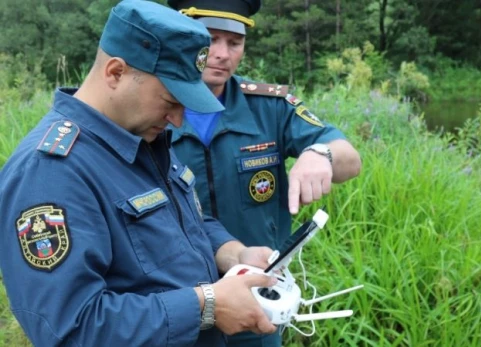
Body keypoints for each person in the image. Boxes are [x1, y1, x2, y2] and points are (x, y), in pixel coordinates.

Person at [0, 1, 279, 346]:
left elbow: (184, 224)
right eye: (170, 101)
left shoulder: (141, 135)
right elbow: (72, 328)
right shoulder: (51, 171)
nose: (178, 120)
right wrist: (206, 305)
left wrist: (234, 254)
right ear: (115, 72)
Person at [166, 1, 362, 345]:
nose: (222, 54)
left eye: (234, 43)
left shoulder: (269, 106)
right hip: (181, 306)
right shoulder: (154, 110)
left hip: (259, 302)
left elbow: (350, 160)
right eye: (211, 39)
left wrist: (321, 153)